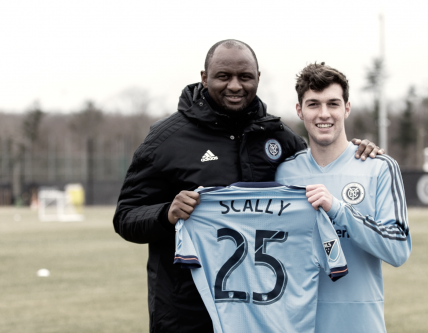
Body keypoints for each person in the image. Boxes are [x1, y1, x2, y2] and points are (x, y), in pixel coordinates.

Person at [112, 40, 383, 332]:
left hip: (263, 316)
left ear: (258, 78)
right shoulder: (165, 139)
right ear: (204, 78)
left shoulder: (279, 137)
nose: (235, 86)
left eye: (245, 77)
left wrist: (355, 151)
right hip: (188, 316)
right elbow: (125, 216)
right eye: (223, 76)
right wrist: (167, 213)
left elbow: (318, 164)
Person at [275, 62, 411, 333]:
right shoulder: (283, 173)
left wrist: (339, 209)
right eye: (313, 104)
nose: (324, 114)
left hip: (360, 325)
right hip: (298, 325)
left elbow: (398, 250)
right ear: (300, 111)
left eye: (333, 104)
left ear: (347, 108)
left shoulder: (379, 167)